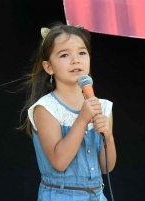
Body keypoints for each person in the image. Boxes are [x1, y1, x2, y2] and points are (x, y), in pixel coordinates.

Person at [18, 22, 117, 201]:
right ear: (49, 67)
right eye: (64, 55)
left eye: (82, 53)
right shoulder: (46, 108)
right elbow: (59, 162)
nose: (75, 60)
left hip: (97, 195)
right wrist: (82, 120)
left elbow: (106, 167)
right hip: (61, 194)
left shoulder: (102, 107)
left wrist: (108, 136)